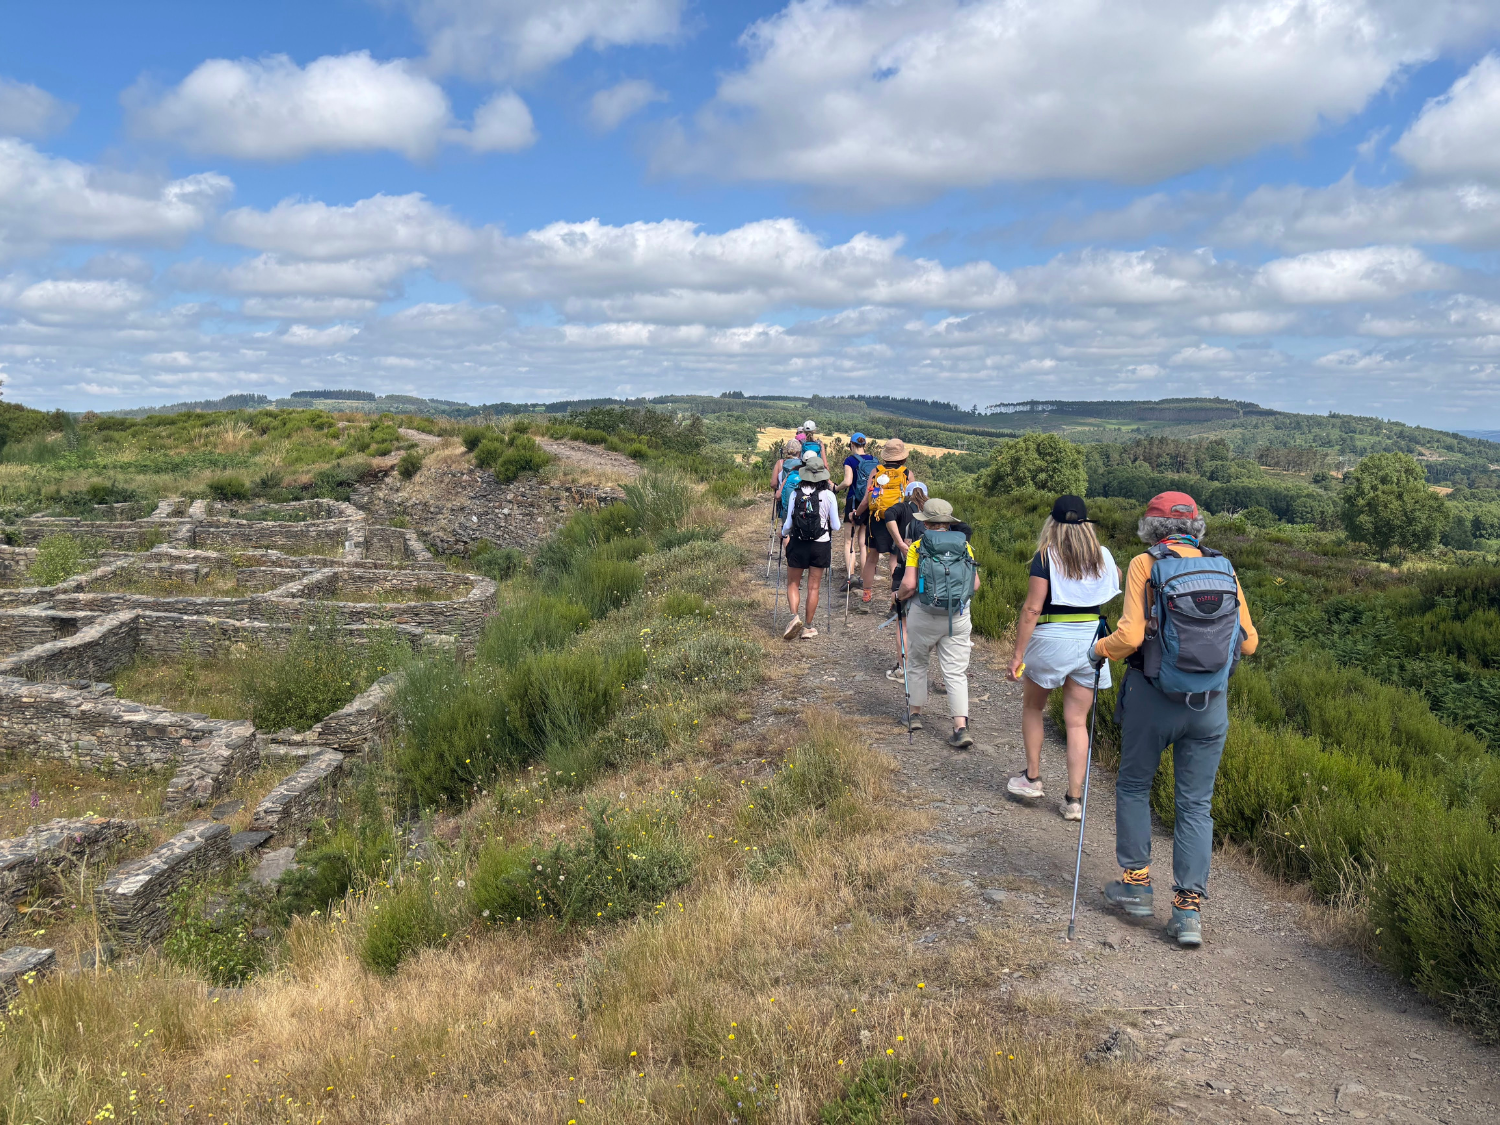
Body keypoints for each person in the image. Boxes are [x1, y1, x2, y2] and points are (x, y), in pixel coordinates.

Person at [1092, 491, 1258, 948]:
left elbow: (1128, 636)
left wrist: (1098, 649)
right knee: (1195, 804)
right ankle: (1187, 913)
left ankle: (1137, 885)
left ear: (1152, 527)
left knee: (1133, 786)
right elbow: (1248, 644)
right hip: (1209, 705)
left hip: (1154, 697)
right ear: (1195, 525)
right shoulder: (1223, 565)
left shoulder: (1146, 564)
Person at [1005, 495, 1121, 820]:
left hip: (1051, 637)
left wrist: (1017, 655)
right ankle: (1074, 800)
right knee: (1076, 721)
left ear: (1052, 522)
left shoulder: (1046, 556)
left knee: (1033, 707)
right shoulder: (1103, 557)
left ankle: (1032, 778)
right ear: (1086, 525)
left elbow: (1032, 608)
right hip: (1091, 640)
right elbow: (1117, 580)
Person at [895, 498, 980, 749]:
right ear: (948, 523)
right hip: (957, 617)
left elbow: (909, 585)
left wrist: (898, 597)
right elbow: (974, 585)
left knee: (918, 663)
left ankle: (915, 715)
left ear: (927, 522)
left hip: (924, 614)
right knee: (955, 671)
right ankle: (960, 727)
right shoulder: (965, 546)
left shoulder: (918, 547)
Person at [780, 452, 840, 640]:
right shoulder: (828, 495)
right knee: (813, 588)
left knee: (793, 583)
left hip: (798, 542)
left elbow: (788, 524)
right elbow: (837, 526)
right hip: (820, 545)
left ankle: (794, 617)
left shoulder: (795, 494)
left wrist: (783, 535)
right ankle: (808, 627)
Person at [852, 438, 910, 613]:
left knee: (872, 558)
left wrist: (856, 514)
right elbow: (912, 498)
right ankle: (895, 601)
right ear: (902, 457)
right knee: (896, 559)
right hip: (899, 520)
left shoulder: (877, 471)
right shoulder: (906, 473)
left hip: (877, 519)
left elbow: (867, 498)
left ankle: (866, 597)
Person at [839, 433, 877, 591]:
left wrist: (836, 488)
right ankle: (863, 577)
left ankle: (851, 576)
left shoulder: (850, 460)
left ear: (851, 445)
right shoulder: (874, 461)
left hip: (853, 501)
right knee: (863, 543)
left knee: (849, 541)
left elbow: (848, 481)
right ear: (865, 445)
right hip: (869, 503)